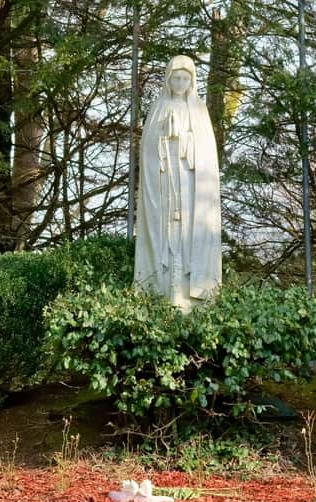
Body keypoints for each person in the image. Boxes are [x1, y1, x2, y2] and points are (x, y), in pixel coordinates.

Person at [134, 54, 222, 312]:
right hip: (164, 182)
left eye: (186, 78)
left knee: (186, 236)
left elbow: (205, 158)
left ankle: (189, 293)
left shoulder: (199, 110)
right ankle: (162, 290)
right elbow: (148, 150)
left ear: (192, 81)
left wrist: (184, 141)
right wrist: (164, 140)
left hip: (189, 185)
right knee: (165, 234)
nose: (181, 83)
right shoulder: (158, 109)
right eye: (176, 78)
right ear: (168, 80)